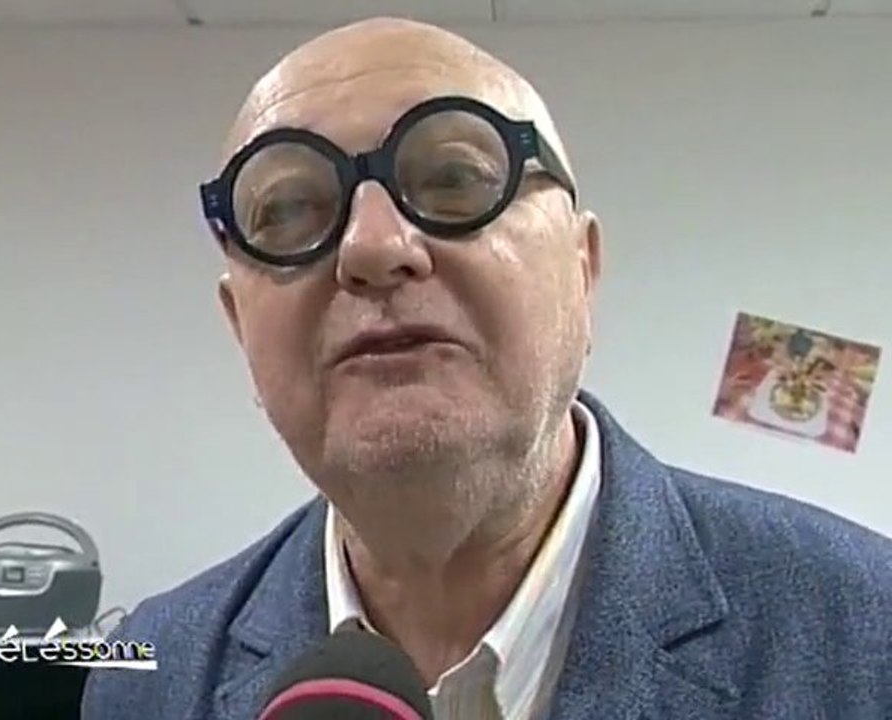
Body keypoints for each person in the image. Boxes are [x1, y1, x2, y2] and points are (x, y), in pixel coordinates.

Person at [81, 17, 892, 720]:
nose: (371, 248)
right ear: (238, 327)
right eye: (288, 212)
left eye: (456, 179)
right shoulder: (152, 673)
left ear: (584, 271)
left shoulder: (866, 631)